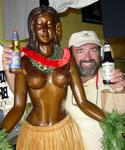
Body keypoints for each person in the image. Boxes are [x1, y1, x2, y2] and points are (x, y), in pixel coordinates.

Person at [0, 6, 105, 150]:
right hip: (34, 135)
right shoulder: (24, 61)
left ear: (56, 28)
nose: (44, 29)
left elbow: (83, 102)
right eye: (39, 25)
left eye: (49, 24)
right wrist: (0, 137)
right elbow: (18, 107)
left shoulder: (68, 59)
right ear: (33, 30)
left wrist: (112, 123)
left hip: (64, 132)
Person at [65, 30, 125, 150]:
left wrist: (122, 90)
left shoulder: (114, 78)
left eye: (93, 50)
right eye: (80, 51)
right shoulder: (61, 81)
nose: (88, 57)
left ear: (100, 54)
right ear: (71, 56)